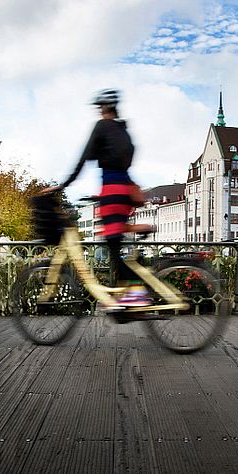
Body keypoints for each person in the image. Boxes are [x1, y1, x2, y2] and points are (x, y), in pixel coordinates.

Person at [42, 89, 149, 309]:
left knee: (111, 245)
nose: (99, 111)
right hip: (123, 192)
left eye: (100, 108)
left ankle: (136, 293)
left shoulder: (102, 127)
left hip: (112, 193)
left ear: (104, 108)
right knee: (113, 244)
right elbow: (121, 166)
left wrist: (63, 185)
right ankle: (124, 296)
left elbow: (83, 160)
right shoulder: (123, 132)